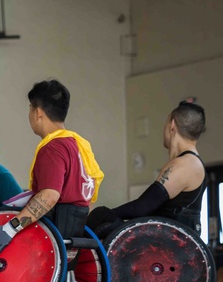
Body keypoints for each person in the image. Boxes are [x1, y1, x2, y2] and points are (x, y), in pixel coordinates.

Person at [0, 79, 104, 257]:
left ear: (38, 112)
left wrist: (11, 228)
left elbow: (49, 196)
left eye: (30, 108)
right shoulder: (79, 145)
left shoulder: (53, 148)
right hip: (72, 237)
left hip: (50, 239)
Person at [88, 100, 207, 237]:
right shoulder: (190, 162)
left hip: (168, 244)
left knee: (101, 215)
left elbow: (142, 207)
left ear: (172, 125)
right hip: (164, 237)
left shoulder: (186, 164)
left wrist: (106, 214)